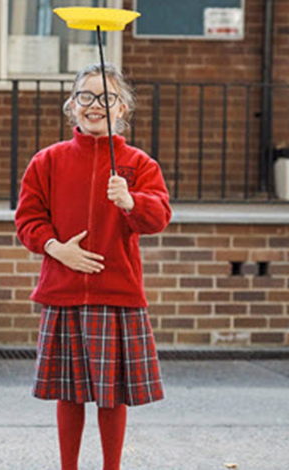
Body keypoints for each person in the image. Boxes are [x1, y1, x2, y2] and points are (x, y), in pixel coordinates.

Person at [14, 63, 172, 470]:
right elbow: (27, 219)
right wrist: (55, 248)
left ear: (122, 109)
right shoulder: (46, 161)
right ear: (72, 106)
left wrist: (132, 201)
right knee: (69, 392)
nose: (95, 105)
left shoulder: (139, 165)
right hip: (63, 292)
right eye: (86, 96)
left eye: (106, 97)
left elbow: (159, 218)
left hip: (116, 294)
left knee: (111, 392)